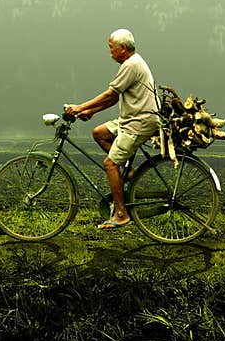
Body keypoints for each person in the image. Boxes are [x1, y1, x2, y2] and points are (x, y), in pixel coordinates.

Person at [64, 28, 160, 229]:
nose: (109, 52)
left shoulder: (131, 65)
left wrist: (80, 107)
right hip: (131, 118)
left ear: (122, 48)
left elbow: (109, 94)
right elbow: (115, 97)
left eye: (111, 48)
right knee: (99, 133)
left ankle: (121, 214)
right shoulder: (132, 63)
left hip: (139, 122)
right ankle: (129, 173)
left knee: (110, 164)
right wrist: (91, 111)